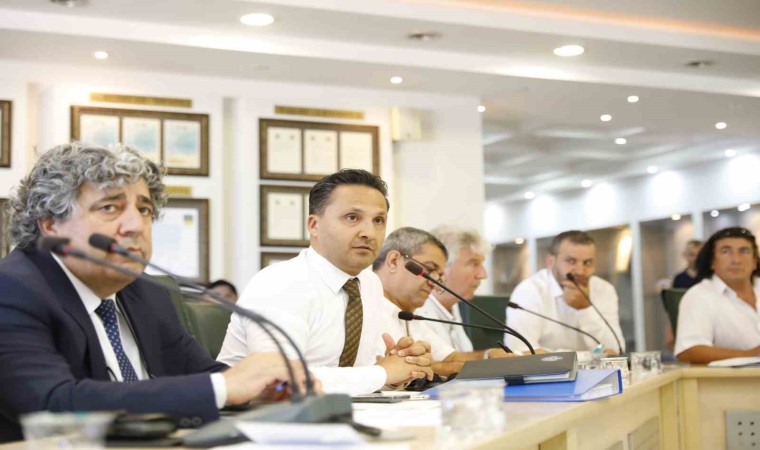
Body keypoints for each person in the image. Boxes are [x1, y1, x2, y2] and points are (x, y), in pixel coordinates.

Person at [0, 143, 303, 443]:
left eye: (144, 209)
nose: (136, 225)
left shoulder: (147, 292)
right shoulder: (12, 289)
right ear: (51, 223)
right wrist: (225, 387)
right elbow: (52, 404)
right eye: (109, 208)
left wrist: (262, 387)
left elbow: (200, 374)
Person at [217, 169, 433, 394]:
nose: (369, 232)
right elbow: (280, 380)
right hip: (255, 411)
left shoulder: (369, 283)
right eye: (352, 217)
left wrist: (400, 368)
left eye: (378, 220)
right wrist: (382, 373)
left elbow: (362, 372)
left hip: (334, 409)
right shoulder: (280, 282)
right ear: (314, 225)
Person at [373, 227, 514, 377]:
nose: (433, 283)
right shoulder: (364, 309)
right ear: (394, 261)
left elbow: (448, 359)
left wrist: (493, 358)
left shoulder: (409, 314)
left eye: (438, 276)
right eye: (429, 269)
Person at [507, 230, 625, 354]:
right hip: (555, 369)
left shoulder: (604, 289)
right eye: (571, 261)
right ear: (550, 262)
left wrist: (585, 308)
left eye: (587, 263)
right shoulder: (529, 291)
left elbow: (615, 350)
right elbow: (520, 353)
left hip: (592, 368)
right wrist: (589, 356)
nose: (580, 271)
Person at [675, 227, 760, 363]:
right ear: (712, 262)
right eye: (726, 252)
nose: (736, 260)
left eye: (744, 251)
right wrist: (751, 355)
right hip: (734, 376)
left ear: (754, 262)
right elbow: (689, 349)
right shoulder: (699, 296)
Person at [416, 226, 491, 352]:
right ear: (441, 266)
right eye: (474, 264)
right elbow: (445, 360)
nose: (483, 274)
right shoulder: (417, 313)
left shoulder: (453, 305)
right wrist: (489, 355)